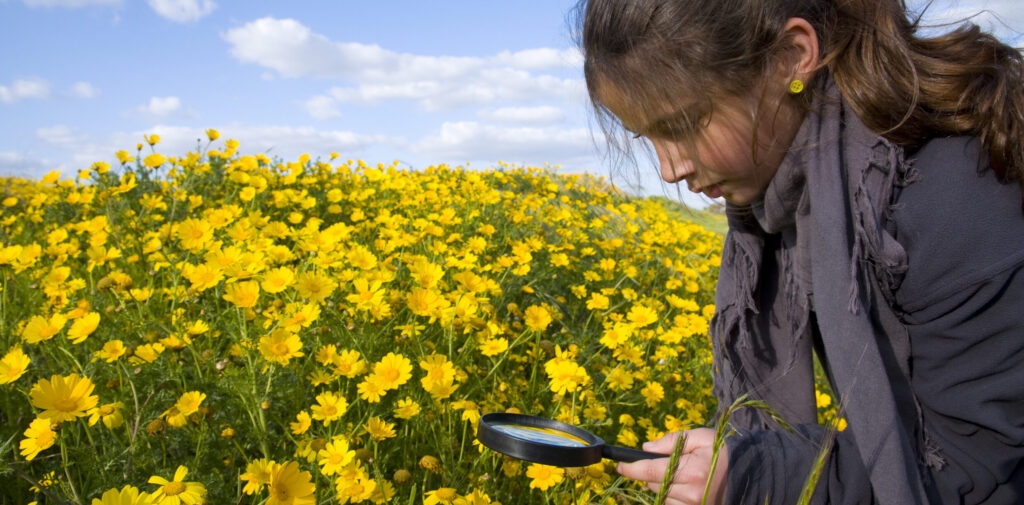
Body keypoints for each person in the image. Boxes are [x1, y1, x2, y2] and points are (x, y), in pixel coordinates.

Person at [574, 0, 1024, 504]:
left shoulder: (951, 196)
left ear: (792, 57)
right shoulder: (791, 194)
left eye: (683, 124)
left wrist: (763, 479)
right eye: (647, 137)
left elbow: (983, 469)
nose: (669, 169)